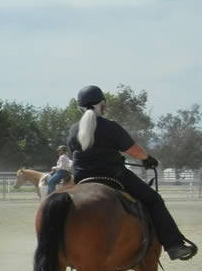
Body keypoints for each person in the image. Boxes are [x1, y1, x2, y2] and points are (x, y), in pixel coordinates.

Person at [68, 85, 195, 261]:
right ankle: (174, 245)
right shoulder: (110, 126)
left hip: (81, 178)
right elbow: (133, 150)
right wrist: (147, 159)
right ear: (102, 105)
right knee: (154, 200)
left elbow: (73, 154)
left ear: (80, 109)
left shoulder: (74, 130)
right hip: (114, 176)